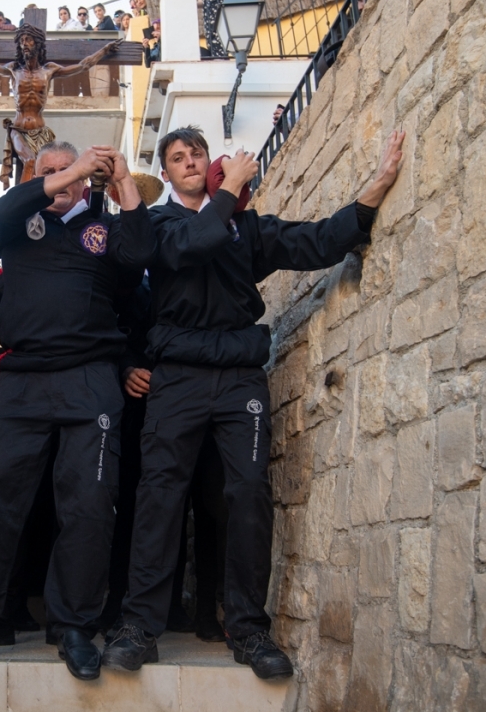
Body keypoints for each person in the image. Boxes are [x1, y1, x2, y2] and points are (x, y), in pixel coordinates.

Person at [101, 126, 406, 678]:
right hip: (178, 377)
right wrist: (231, 188)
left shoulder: (245, 226)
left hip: (240, 376)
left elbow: (313, 241)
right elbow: (190, 246)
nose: (189, 161)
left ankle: (247, 629)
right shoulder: (161, 225)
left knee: (247, 494)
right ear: (166, 174)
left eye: (196, 153)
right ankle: (139, 627)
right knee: (160, 496)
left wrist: (376, 188)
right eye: (177, 157)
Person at [0, 141, 155, 682]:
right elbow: (0, 211)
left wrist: (120, 180)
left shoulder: (103, 227)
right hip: (23, 379)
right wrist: (71, 169)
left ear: (83, 185)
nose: (58, 180)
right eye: (47, 173)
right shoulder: (16, 226)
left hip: (89, 378)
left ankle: (73, 626)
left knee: (90, 505)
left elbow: (141, 253)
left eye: (67, 173)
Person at [0, 24, 118, 187]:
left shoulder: (49, 70)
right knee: (30, 161)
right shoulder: (13, 70)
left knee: (47, 168)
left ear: (37, 43)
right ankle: (22, 202)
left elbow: (83, 66)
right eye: (22, 41)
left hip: (40, 131)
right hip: (19, 129)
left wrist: (104, 50)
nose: (24, 45)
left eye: (28, 40)